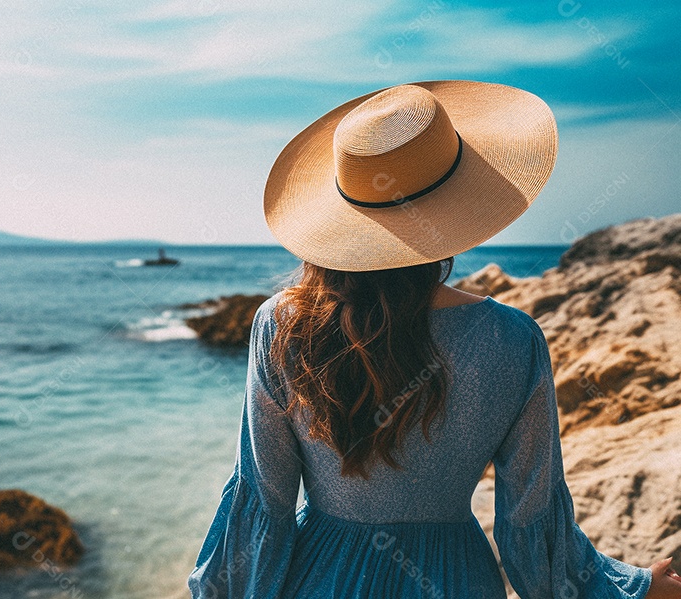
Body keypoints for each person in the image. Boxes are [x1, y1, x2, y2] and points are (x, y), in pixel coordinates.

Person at [187, 81, 681, 598]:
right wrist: (634, 588)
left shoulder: (282, 326)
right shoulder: (513, 339)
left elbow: (262, 501)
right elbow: (530, 525)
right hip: (453, 579)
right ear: (457, 209)